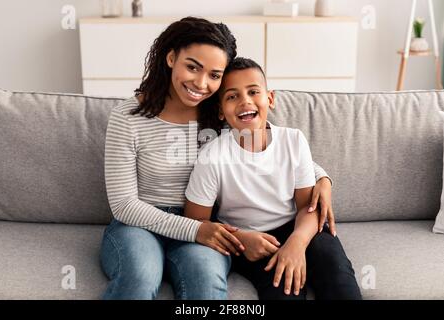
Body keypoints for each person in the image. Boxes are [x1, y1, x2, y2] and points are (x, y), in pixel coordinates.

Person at [100, 16, 335, 300]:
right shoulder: (127, 118)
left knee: (205, 281)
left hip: (206, 223)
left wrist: (321, 177)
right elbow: (124, 205)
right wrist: (197, 230)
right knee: (140, 276)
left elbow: (269, 146)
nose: (201, 83)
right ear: (171, 57)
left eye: (214, 75)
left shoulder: (220, 115)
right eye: (192, 67)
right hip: (139, 225)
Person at [184, 57, 362, 300]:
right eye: (232, 96)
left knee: (338, 276)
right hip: (248, 240)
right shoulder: (213, 156)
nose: (245, 100)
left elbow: (308, 207)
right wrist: (241, 239)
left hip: (299, 228)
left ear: (270, 98)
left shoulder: (293, 140)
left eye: (253, 91)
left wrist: (296, 244)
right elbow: (196, 222)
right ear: (220, 111)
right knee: (284, 290)